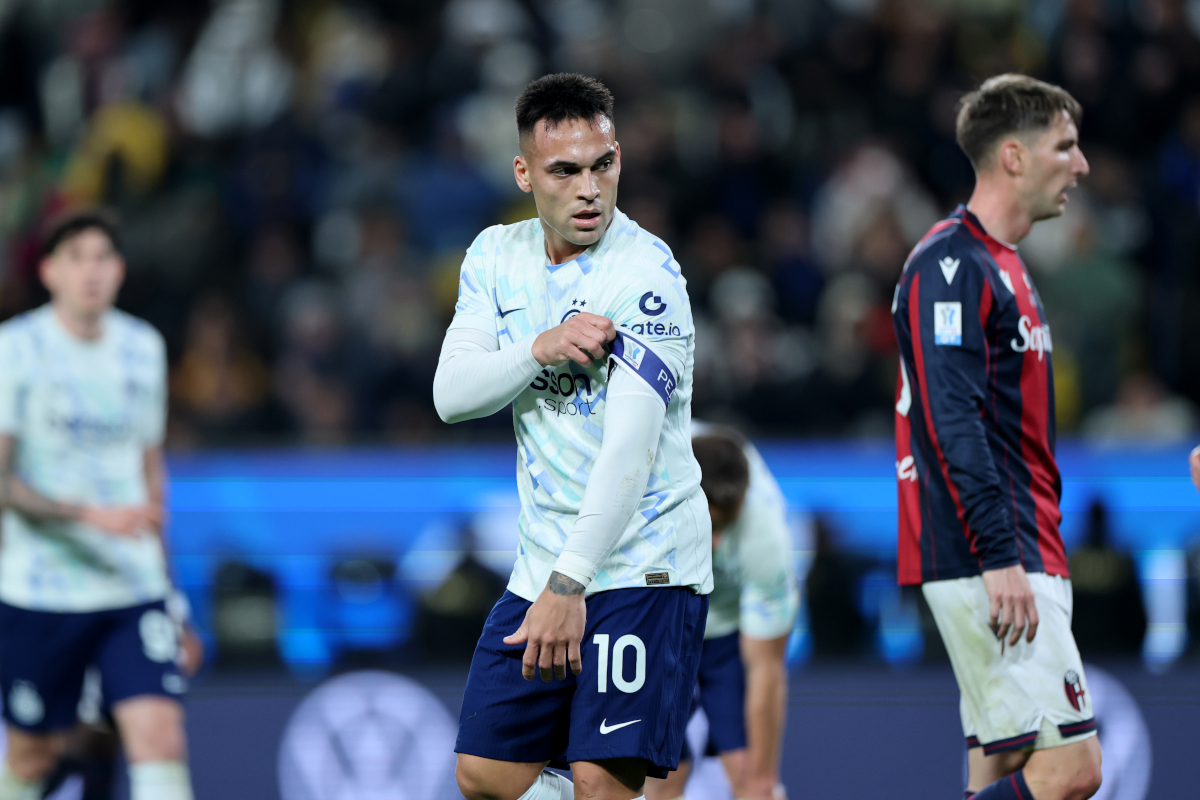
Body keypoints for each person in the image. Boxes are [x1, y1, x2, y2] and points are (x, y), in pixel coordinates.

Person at [434, 73, 712, 800]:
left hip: (644, 562)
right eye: (565, 170)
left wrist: (570, 583)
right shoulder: (495, 257)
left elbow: (631, 450)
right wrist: (540, 348)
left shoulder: (648, 281)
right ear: (525, 172)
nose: (590, 188)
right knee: (485, 774)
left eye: (603, 165)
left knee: (599, 779)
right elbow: (451, 397)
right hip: (544, 562)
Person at [891, 75, 1102, 800]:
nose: (1081, 166)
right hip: (994, 556)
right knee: (1072, 771)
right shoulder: (951, 265)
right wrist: (1001, 557)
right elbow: (952, 422)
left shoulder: (1003, 262)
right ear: (1013, 157)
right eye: (1065, 147)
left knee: (1003, 766)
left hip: (1017, 547)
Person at [0, 209, 193, 800]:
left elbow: (150, 477)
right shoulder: (16, 348)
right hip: (41, 588)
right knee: (32, 755)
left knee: (159, 737)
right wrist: (88, 516)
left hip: (130, 587)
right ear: (49, 271)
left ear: (120, 271)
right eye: (77, 257)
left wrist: (172, 593)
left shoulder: (142, 348)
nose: (92, 271)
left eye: (103, 258)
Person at [645, 427, 797, 800]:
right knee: (660, 776)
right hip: (661, 627)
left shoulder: (766, 543)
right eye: (707, 524)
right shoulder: (640, 487)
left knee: (752, 779)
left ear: (741, 506)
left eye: (723, 527)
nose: (713, 543)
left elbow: (766, 669)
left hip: (726, 633)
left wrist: (762, 779)